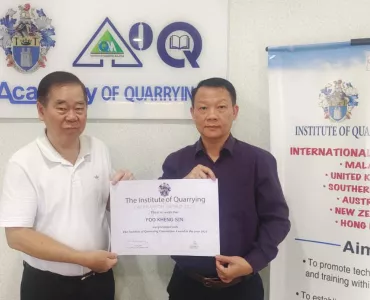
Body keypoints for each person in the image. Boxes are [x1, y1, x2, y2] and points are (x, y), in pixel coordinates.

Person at [0, 71, 133, 300]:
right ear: (41, 111)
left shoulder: (99, 148)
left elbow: (104, 203)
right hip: (46, 285)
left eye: (80, 108)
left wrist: (124, 191)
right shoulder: (23, 162)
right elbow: (17, 236)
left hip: (97, 281)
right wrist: (82, 258)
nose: (72, 116)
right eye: (62, 108)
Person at [160, 78, 290, 300]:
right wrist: (182, 187)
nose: (212, 115)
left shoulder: (259, 161)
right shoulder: (176, 162)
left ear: (235, 111)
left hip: (243, 289)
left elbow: (277, 220)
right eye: (203, 108)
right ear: (193, 112)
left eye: (221, 107)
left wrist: (252, 263)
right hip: (186, 286)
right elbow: (161, 215)